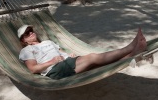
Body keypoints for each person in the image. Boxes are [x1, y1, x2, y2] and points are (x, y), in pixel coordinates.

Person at [18, 25, 148, 80]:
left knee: (97, 65)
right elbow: (33, 69)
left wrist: (68, 55)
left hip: (66, 63)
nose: (30, 33)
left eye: (30, 30)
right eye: (27, 33)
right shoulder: (26, 50)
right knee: (92, 57)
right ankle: (130, 47)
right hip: (54, 70)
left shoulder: (47, 41)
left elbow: (61, 51)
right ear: (24, 40)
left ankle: (132, 55)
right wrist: (52, 61)